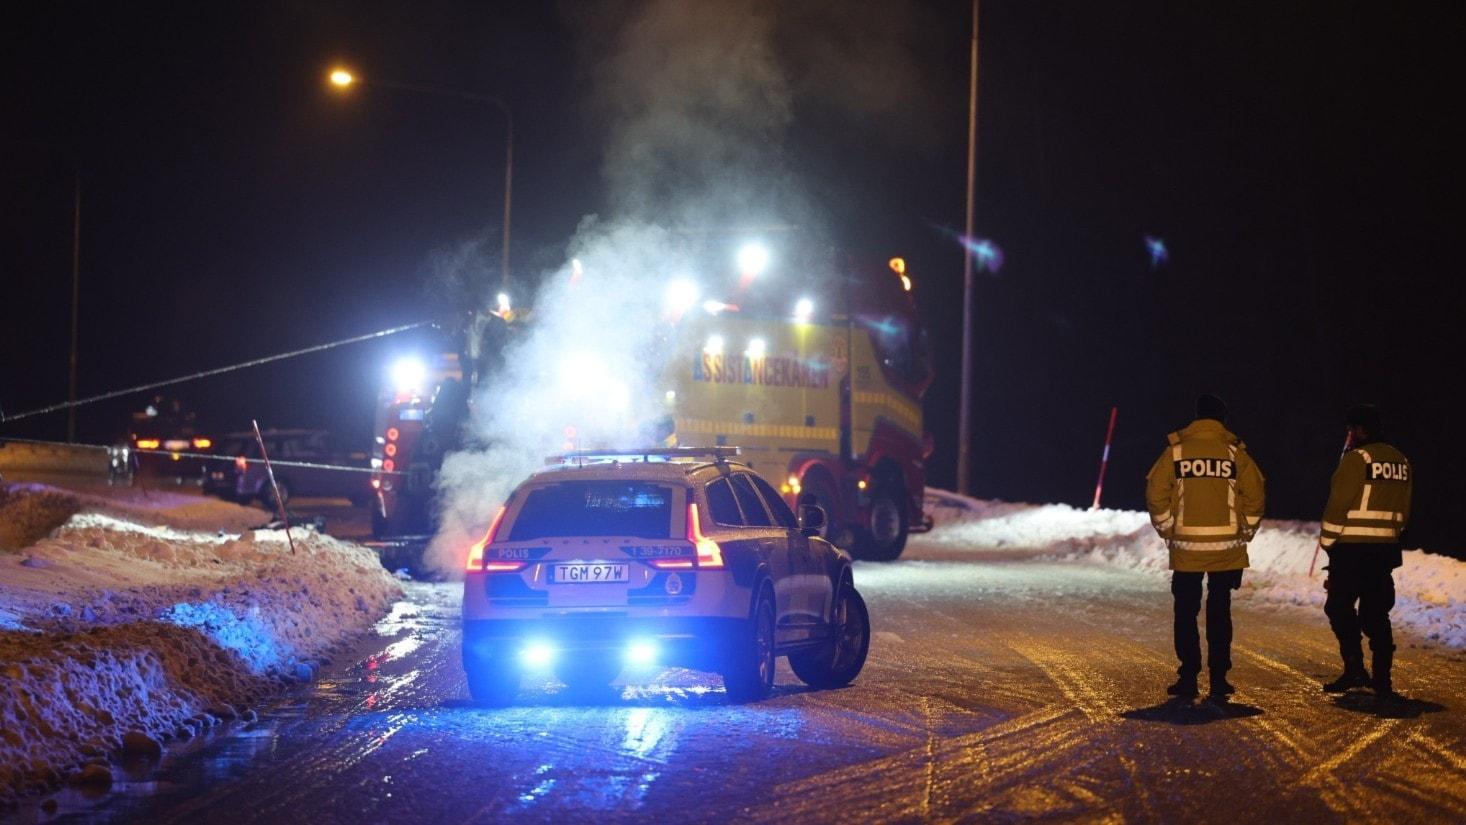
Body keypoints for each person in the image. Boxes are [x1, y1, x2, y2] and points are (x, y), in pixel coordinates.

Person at [1146, 394, 1266, 700]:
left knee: (1186, 612)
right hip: (1226, 551)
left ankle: (1188, 677)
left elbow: (1156, 494)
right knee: (1220, 611)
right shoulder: (1235, 453)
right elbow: (1255, 495)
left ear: (1197, 417)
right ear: (1223, 419)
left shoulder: (1176, 451)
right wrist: (1246, 532)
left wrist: (1167, 529)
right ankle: (1219, 679)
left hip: (1187, 551)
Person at [1319, 404, 1412, 704]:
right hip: (1383, 553)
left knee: (1338, 608)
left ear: (1360, 430)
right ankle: (1382, 680)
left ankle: (1355, 669)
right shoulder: (1400, 460)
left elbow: (1338, 505)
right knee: (1376, 615)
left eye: (1351, 429)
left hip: (1350, 552)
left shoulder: (1356, 459)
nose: (1348, 435)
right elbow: (1404, 509)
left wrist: (1327, 541)